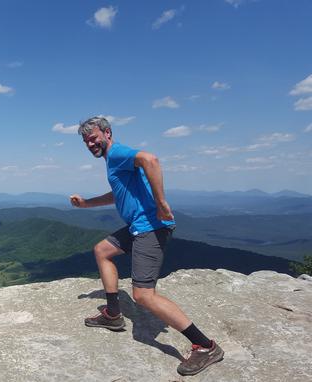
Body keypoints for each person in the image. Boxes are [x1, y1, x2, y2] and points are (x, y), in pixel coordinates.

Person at [69, 116, 224, 376]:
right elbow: (118, 193)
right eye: (86, 140)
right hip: (138, 226)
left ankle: (206, 346)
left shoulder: (116, 152)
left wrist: (162, 203)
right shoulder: (112, 159)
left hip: (150, 228)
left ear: (107, 133)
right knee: (102, 250)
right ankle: (113, 314)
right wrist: (86, 204)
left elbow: (150, 159)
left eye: (93, 137)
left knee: (143, 295)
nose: (89, 143)